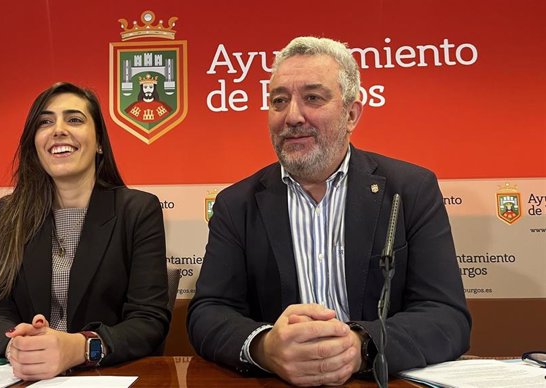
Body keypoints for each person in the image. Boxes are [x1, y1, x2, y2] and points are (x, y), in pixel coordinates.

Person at [187, 37, 471, 386]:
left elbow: (446, 316)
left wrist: (361, 346)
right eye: (279, 101)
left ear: (351, 114)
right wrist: (265, 346)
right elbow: (208, 312)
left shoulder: (409, 190)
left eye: (313, 98)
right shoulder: (237, 204)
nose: (292, 116)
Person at [0, 82, 170, 381]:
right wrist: (15, 347)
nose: (58, 130)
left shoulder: (138, 210)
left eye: (74, 119)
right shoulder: (8, 213)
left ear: (99, 141)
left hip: (101, 376)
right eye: (45, 122)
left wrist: (80, 347)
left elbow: (148, 321)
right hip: (23, 376)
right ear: (34, 143)